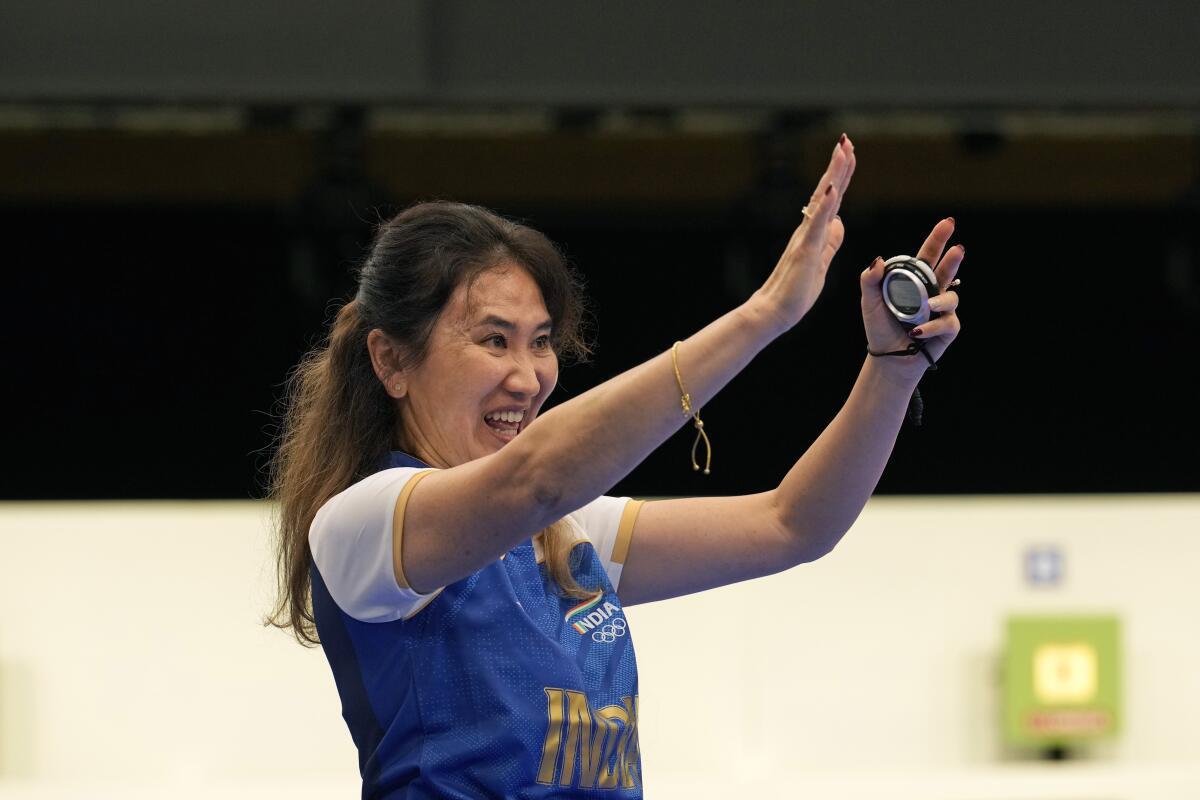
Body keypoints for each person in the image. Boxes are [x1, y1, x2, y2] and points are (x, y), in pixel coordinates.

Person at [267, 134, 964, 798]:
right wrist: (764, 315)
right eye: (492, 340)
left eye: (539, 343)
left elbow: (793, 525)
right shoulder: (361, 524)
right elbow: (537, 480)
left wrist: (893, 370)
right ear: (391, 360)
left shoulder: (564, 534)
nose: (526, 376)